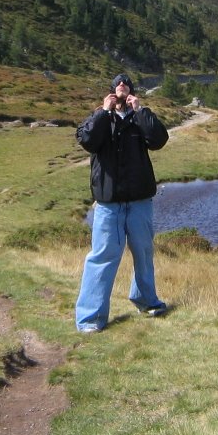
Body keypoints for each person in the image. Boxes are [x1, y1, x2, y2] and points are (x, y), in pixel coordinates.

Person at [74, 74, 169, 332]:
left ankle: (147, 301)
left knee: (144, 254)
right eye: (117, 88)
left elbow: (159, 140)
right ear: (110, 94)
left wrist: (141, 111)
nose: (122, 90)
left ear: (131, 94)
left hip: (139, 201)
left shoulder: (140, 118)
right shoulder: (100, 118)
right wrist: (104, 112)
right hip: (108, 204)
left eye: (126, 88)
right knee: (102, 257)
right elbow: (87, 140)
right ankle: (90, 319)